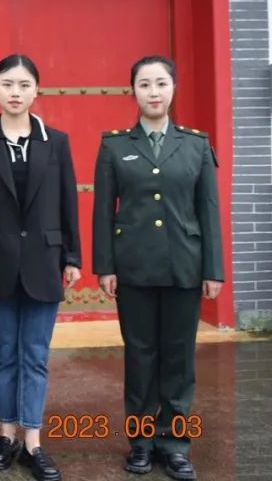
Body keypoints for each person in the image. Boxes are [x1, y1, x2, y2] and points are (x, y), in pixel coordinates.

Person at [93, 55, 223, 481]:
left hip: (185, 266)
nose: (153, 92)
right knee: (140, 357)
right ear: (133, 90)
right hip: (133, 269)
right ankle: (142, 443)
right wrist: (105, 267)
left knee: (179, 359)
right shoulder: (114, 146)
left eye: (161, 83)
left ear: (173, 89)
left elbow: (208, 210)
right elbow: (103, 212)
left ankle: (176, 444)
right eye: (145, 84)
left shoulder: (196, 145)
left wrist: (213, 269)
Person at [0, 55, 81, 481]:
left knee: (36, 355)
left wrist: (72, 256)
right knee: (5, 353)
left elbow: (67, 201)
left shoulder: (56, 142)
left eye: (24, 85)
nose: (15, 92)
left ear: (36, 90)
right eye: (8, 84)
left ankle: (33, 442)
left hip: (45, 260)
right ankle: (6, 434)